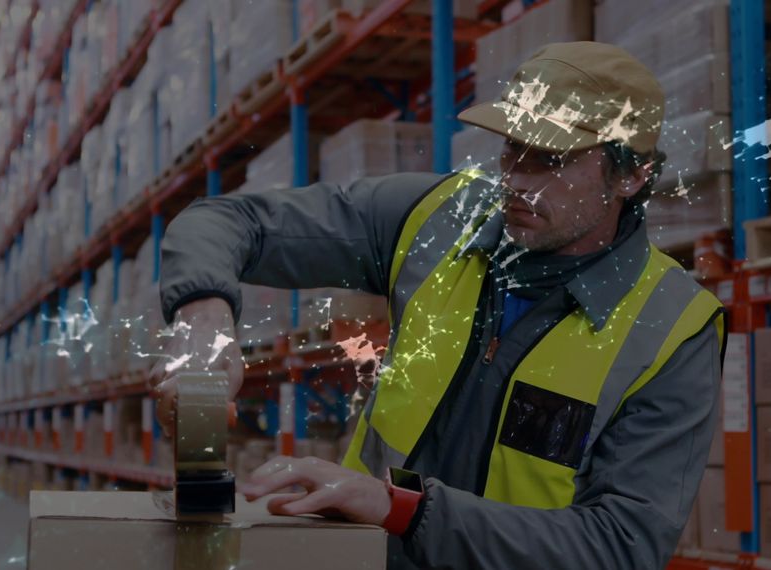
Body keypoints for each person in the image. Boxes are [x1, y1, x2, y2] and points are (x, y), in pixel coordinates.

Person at [150, 42, 726, 569]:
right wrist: (204, 317)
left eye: (549, 159)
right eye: (511, 149)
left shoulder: (672, 329)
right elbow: (224, 221)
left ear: (631, 174)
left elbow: (620, 548)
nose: (516, 179)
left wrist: (401, 510)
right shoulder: (436, 220)